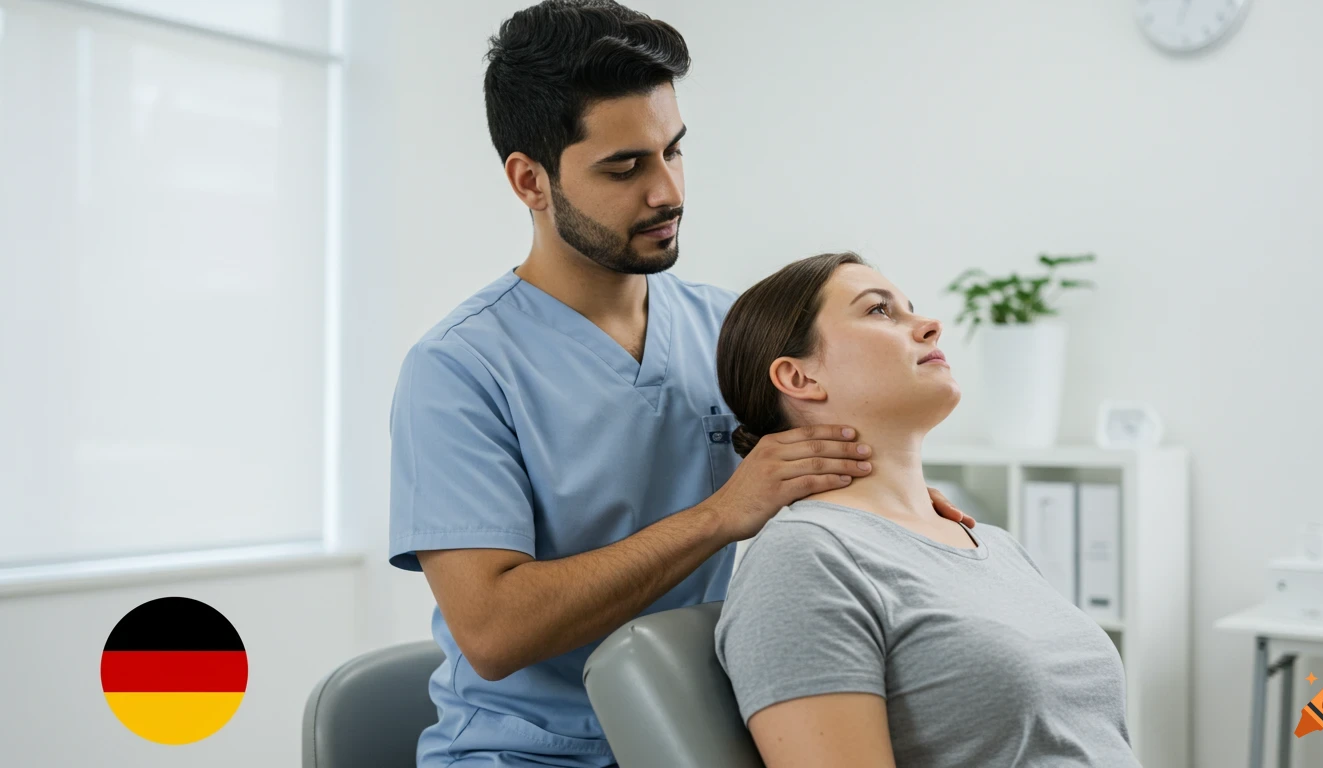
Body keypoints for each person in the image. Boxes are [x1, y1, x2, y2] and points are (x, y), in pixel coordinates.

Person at [387, 3, 972, 766]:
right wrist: (721, 514)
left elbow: (825, 470)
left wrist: (898, 505)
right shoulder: (459, 370)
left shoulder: (727, 326)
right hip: (538, 754)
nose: (667, 191)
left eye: (674, 152)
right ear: (530, 180)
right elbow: (494, 632)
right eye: (625, 167)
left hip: (711, 734)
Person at [714, 252, 1141, 768]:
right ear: (800, 378)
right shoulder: (804, 559)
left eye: (910, 308)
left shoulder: (991, 542)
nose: (932, 325)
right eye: (879, 311)